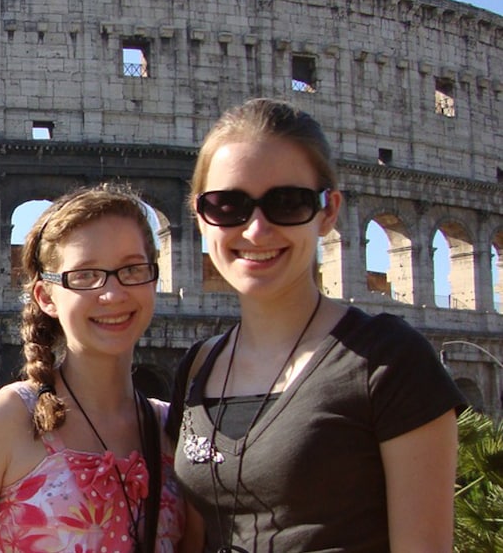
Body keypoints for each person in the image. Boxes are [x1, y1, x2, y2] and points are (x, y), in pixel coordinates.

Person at [169, 98, 466, 552]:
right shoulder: (198, 367)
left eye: (287, 203)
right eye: (228, 205)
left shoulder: (386, 360)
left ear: (328, 213)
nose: (255, 229)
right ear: (201, 216)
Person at [0, 184, 185, 553]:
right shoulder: (6, 422)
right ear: (46, 297)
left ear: (154, 278)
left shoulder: (175, 432)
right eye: (85, 275)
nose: (113, 293)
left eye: (132, 269)